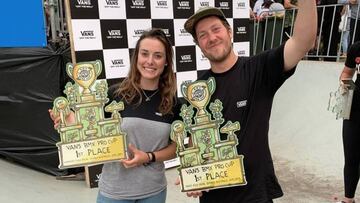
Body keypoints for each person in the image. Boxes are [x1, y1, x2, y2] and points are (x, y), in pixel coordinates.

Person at [179, 2, 317, 202]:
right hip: (214, 197)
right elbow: (195, 138)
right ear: (199, 45)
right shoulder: (198, 89)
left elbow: (303, 41)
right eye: (203, 35)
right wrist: (194, 170)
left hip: (255, 195)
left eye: (216, 29)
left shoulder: (259, 69)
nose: (211, 38)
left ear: (229, 32)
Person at [49, 28, 179, 203]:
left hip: (154, 192)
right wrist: (71, 122)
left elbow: (175, 148)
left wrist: (148, 157)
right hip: (114, 193)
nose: (150, 61)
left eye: (157, 56)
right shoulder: (116, 94)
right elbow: (93, 131)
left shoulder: (172, 102)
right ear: (136, 58)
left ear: (166, 62)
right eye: (144, 54)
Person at [334, 41, 360, 203]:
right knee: (351, 156)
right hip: (355, 109)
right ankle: (348, 199)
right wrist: (345, 86)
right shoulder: (356, 48)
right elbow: (346, 74)